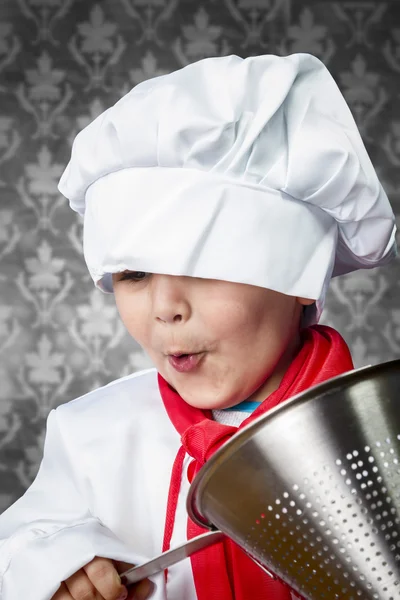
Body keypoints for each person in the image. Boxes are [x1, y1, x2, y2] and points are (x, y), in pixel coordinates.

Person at [0, 52, 397, 600]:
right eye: (133, 273)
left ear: (301, 274)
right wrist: (57, 570)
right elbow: (19, 550)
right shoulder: (90, 439)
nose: (165, 307)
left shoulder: (386, 431)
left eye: (204, 266)